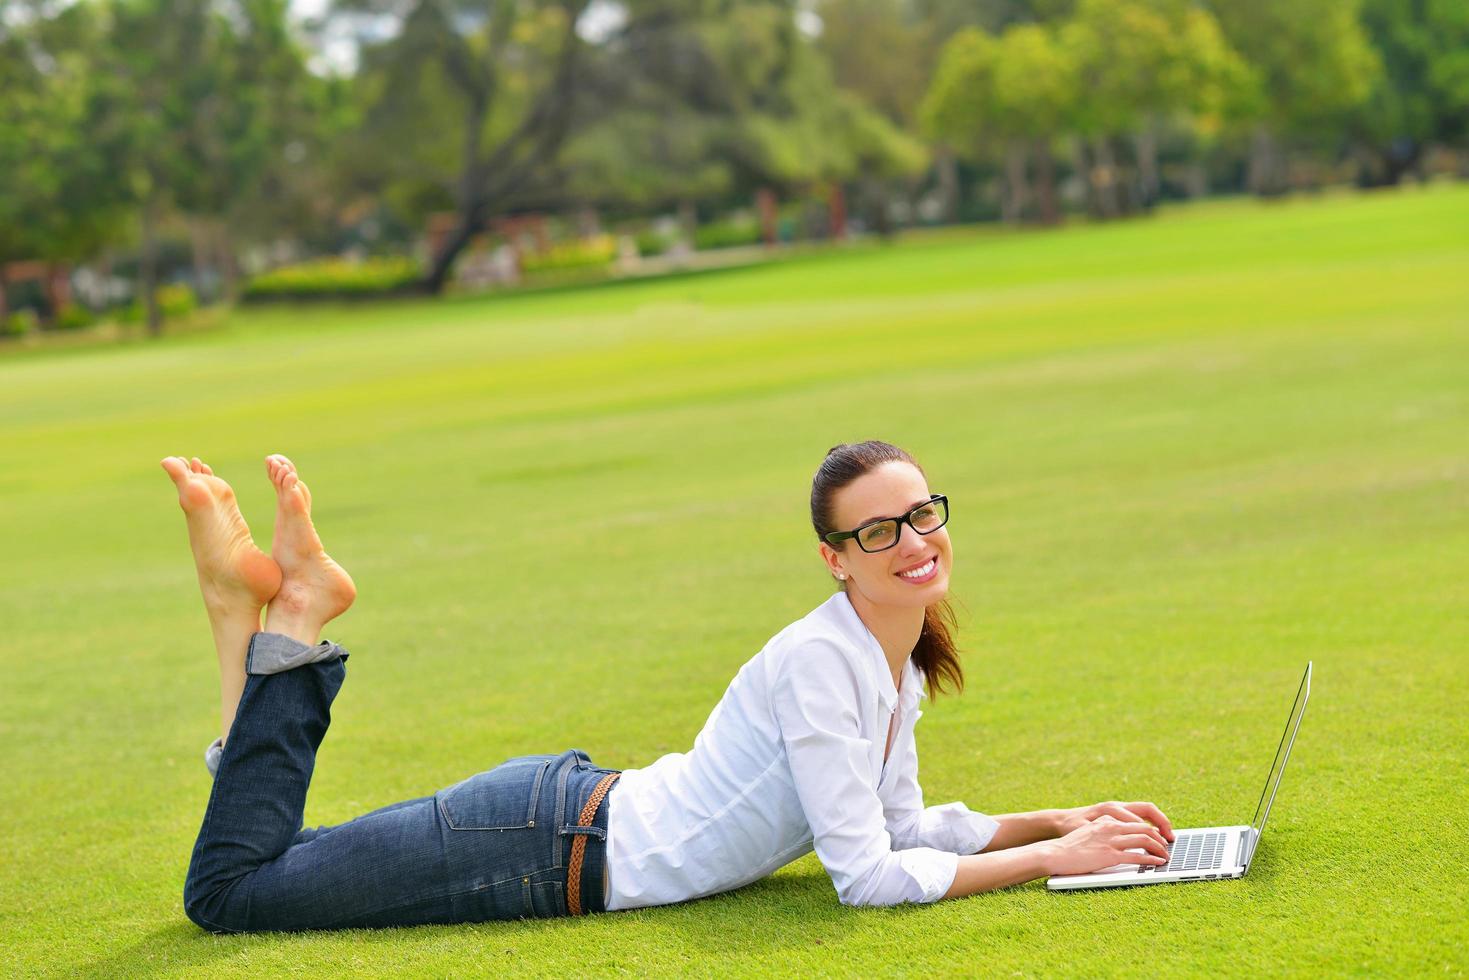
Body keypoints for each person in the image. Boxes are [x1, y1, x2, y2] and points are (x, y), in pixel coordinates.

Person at [166, 441, 1176, 934]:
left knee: (267, 861)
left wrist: (1052, 819)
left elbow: (894, 827)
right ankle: (292, 614)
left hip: (564, 822)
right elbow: (863, 878)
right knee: (231, 891)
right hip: (542, 844)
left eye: (919, 514)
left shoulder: (887, 653)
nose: (911, 542)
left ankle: (235, 612)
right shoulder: (821, 660)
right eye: (877, 530)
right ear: (834, 557)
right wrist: (1055, 858)